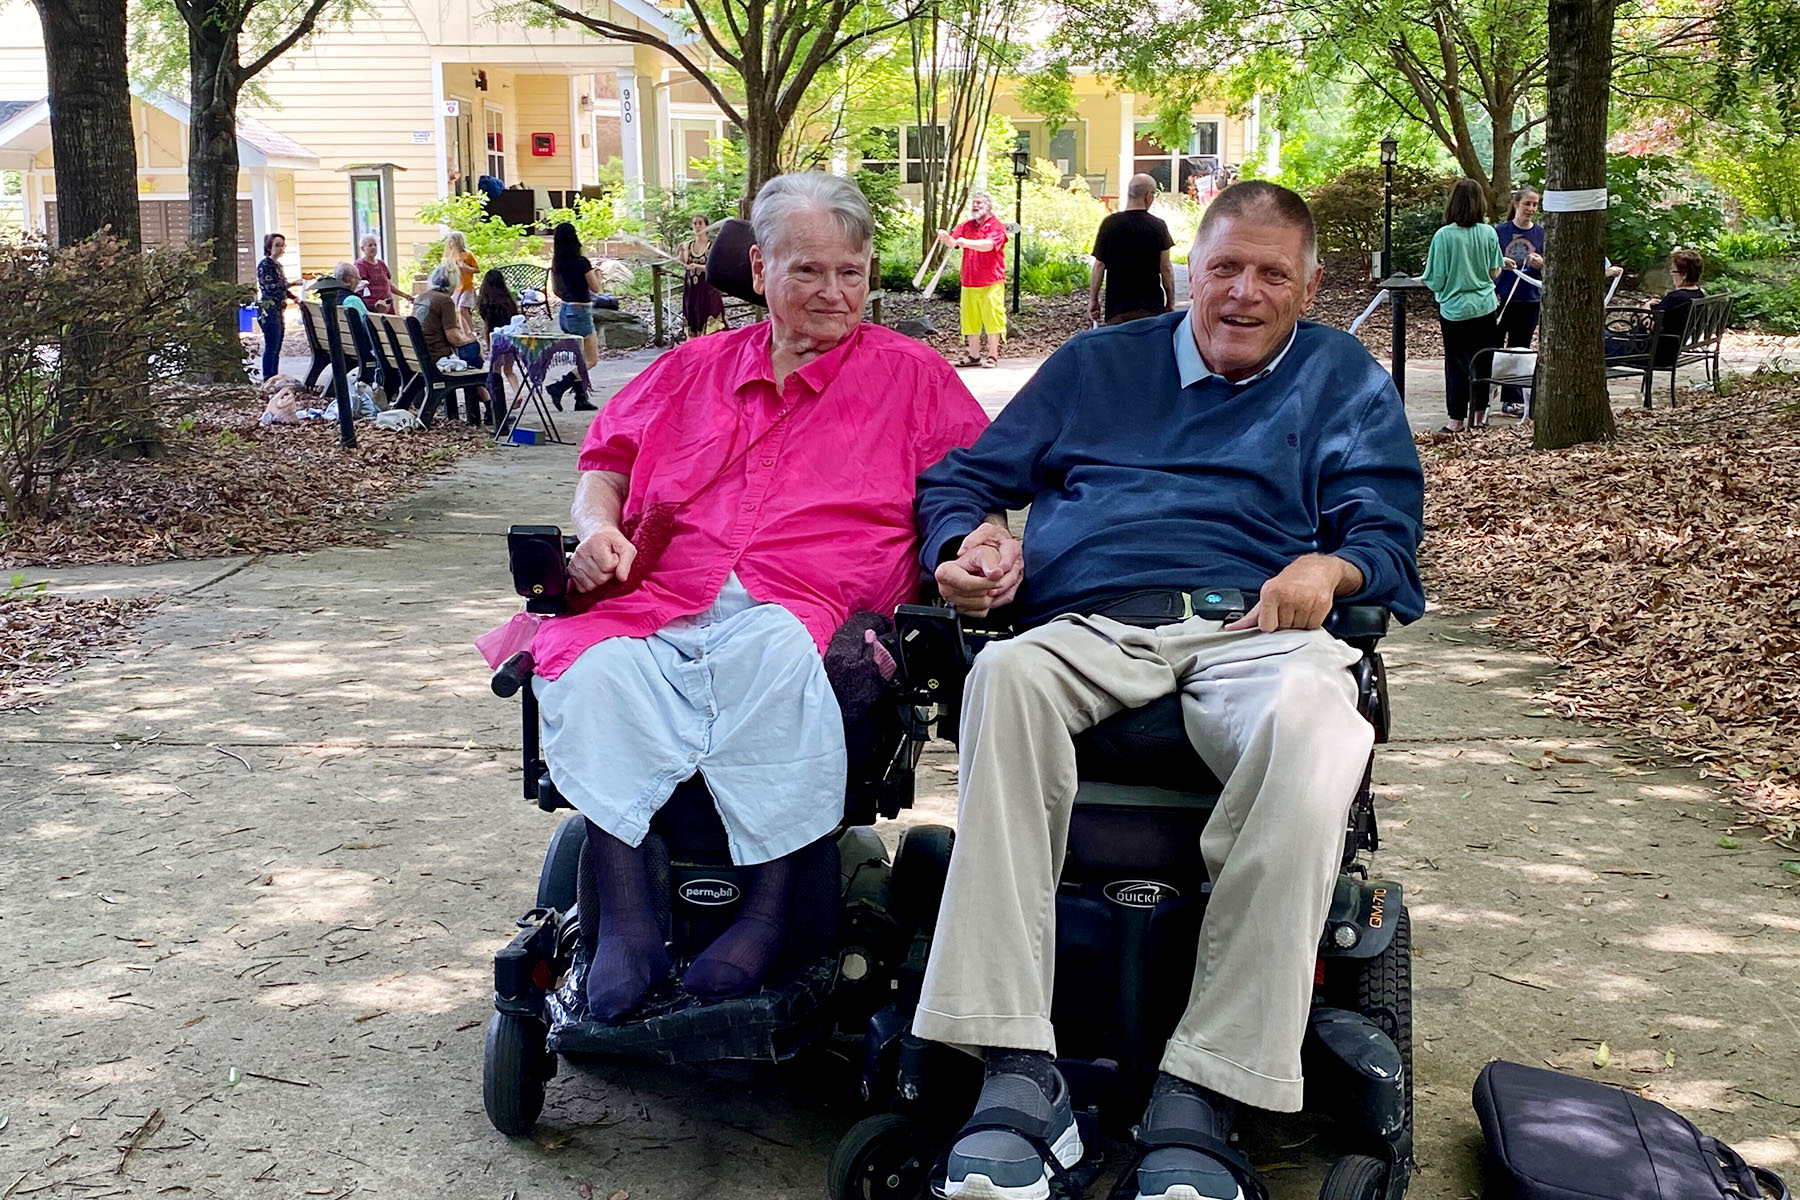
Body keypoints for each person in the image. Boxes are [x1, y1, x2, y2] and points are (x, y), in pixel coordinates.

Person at [911, 180, 1425, 1200]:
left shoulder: (1340, 376)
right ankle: (1017, 1073)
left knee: (1322, 721)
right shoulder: (1100, 365)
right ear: (1190, 268)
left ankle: (1207, 1089)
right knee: (1005, 674)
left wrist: (1333, 570)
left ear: (1311, 284)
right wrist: (966, 543)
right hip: (1093, 619)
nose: (1244, 292)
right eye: (1225, 267)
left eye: (1273, 273)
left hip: (1258, 628)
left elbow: (1385, 531)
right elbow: (964, 479)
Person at [528, 172, 990, 1021]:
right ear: (763, 271)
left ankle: (769, 916)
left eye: (851, 272)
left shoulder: (912, 376)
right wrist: (595, 526)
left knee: (777, 652)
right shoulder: (694, 366)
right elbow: (605, 462)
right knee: (590, 664)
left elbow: (974, 488)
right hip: (669, 595)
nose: (833, 292)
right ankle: (626, 920)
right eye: (809, 271)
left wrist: (971, 549)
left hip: (810, 601)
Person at [1421, 178, 1503, 432]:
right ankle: (1479, 416)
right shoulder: (1488, 232)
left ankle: (1455, 420)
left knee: (1456, 364)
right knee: (1483, 361)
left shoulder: (1444, 236)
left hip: (1455, 309)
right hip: (1485, 307)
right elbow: (1495, 272)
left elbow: (1435, 279)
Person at [1088, 173, 1176, 326]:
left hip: (1117, 310)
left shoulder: (1109, 224)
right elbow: (1165, 268)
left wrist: (1093, 300)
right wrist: (1170, 301)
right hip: (1150, 308)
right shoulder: (1158, 226)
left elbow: (1099, 265)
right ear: (1148, 196)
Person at [939, 192, 1009, 367]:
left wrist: (965, 242)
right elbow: (953, 242)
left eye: (979, 203)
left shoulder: (996, 226)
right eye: (974, 203)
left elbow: (989, 245)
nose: (975, 206)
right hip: (969, 280)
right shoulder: (967, 226)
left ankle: (993, 355)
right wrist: (946, 238)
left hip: (992, 280)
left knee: (993, 317)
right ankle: (974, 355)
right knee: (970, 319)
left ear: (989, 206)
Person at [1493, 186, 1544, 416]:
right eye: (1527, 204)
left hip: (1529, 299)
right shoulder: (1499, 232)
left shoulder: (1541, 234)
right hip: (1500, 297)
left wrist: (1541, 264)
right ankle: (1483, 393)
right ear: (1516, 204)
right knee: (1493, 346)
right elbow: (1488, 263)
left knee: (1520, 349)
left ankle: (1511, 399)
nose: (1531, 209)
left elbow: (1551, 269)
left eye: (1535, 204)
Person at [1605, 249, 1704, 364]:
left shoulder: (1676, 298)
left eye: (1674, 272)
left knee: (1598, 337)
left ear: (1684, 275)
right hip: (1667, 350)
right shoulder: (1698, 294)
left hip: (1647, 352)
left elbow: (1651, 326)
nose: (1672, 276)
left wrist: (1646, 308)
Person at [547, 221, 600, 412]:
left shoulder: (557, 264)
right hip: (581, 313)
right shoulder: (582, 262)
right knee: (591, 360)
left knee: (580, 358)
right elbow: (596, 289)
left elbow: (556, 290)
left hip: (565, 312)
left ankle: (581, 398)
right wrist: (598, 274)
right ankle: (559, 386)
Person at [415, 265, 483, 370]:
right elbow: (454, 338)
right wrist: (471, 339)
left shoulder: (421, 297)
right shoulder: (445, 301)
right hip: (436, 356)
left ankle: (478, 386)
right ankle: (479, 384)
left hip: (417, 353)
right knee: (473, 347)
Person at [676, 214, 727, 337]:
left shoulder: (712, 246)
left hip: (708, 290)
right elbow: (684, 263)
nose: (697, 226)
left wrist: (698, 267)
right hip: (692, 290)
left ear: (706, 226)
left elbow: (716, 267)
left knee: (709, 316)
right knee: (692, 317)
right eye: (695, 224)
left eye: (700, 223)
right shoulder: (688, 245)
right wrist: (682, 252)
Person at [255, 232, 296, 382]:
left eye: (282, 245)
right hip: (268, 310)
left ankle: (274, 376)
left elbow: (282, 289)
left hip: (279, 309)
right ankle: (268, 378)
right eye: (277, 245)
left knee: (277, 346)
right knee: (271, 346)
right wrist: (291, 283)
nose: (280, 249)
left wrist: (294, 298)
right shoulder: (265, 265)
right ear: (269, 247)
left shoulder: (278, 265)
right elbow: (270, 287)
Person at [442, 231, 479, 334]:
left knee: (463, 308)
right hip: (456, 288)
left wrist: (467, 268)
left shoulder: (467, 255)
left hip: (467, 286)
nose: (450, 244)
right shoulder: (450, 257)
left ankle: (471, 331)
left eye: (452, 242)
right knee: (458, 311)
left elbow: (477, 269)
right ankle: (465, 332)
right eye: (449, 242)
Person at [356, 235, 399, 314]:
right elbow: (359, 287)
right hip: (373, 306)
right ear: (362, 248)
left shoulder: (381, 263)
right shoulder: (360, 265)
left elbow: (388, 284)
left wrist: (405, 296)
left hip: (387, 304)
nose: (373, 247)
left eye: (375, 245)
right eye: (370, 245)